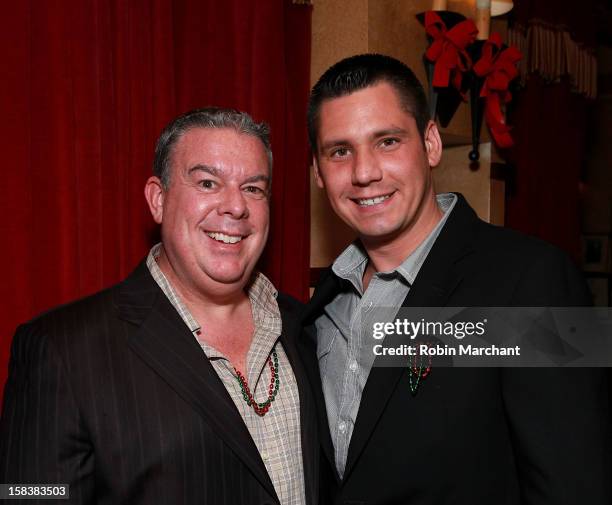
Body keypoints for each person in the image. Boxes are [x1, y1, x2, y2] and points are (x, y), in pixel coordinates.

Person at [299, 54, 611, 504]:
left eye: (387, 141)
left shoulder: (538, 278)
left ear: (429, 143)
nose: (364, 172)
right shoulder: (320, 307)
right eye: (340, 151)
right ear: (318, 172)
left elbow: (577, 486)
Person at [0, 108, 320, 505]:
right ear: (158, 199)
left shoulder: (305, 325)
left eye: (253, 189)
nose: (235, 207)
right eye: (207, 182)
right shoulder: (61, 350)